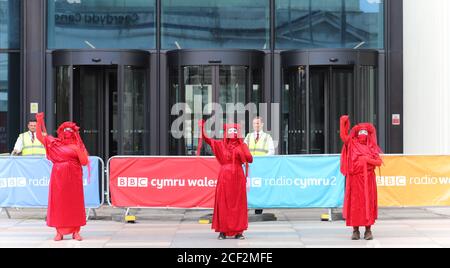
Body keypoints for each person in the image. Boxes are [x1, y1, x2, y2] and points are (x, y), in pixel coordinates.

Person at [35, 112, 89, 241]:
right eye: (65, 130)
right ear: (60, 132)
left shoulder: (77, 146)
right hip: (58, 177)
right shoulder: (54, 143)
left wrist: (78, 149)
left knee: (75, 203)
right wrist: (39, 122)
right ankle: (59, 232)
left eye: (70, 131)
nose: (67, 133)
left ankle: (76, 231)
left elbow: (84, 162)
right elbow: (39, 136)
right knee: (59, 203)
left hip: (74, 177)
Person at [198, 120, 253, 240]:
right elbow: (207, 140)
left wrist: (242, 151)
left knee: (238, 204)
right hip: (225, 177)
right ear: (226, 132)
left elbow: (250, 159)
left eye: (234, 131)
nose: (232, 134)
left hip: (238, 177)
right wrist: (202, 129)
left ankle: (239, 231)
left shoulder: (242, 145)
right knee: (223, 203)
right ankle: (222, 230)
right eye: (230, 131)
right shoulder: (220, 145)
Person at [339, 115, 382, 240]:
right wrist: (343, 122)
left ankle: (368, 230)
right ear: (357, 134)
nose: (363, 135)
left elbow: (379, 162)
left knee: (368, 204)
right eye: (360, 133)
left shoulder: (372, 147)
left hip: (368, 180)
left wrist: (367, 160)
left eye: (365, 133)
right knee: (355, 205)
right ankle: (355, 230)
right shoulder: (351, 143)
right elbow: (343, 136)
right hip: (354, 180)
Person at [244, 116, 275, 215]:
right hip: (250, 167)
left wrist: (262, 160)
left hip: (262, 167)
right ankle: (248, 206)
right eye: (254, 123)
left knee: (260, 187)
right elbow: (243, 149)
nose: (256, 125)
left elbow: (271, 151)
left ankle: (259, 209)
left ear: (262, 124)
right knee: (249, 187)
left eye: (258, 123)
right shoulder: (248, 136)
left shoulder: (267, 137)